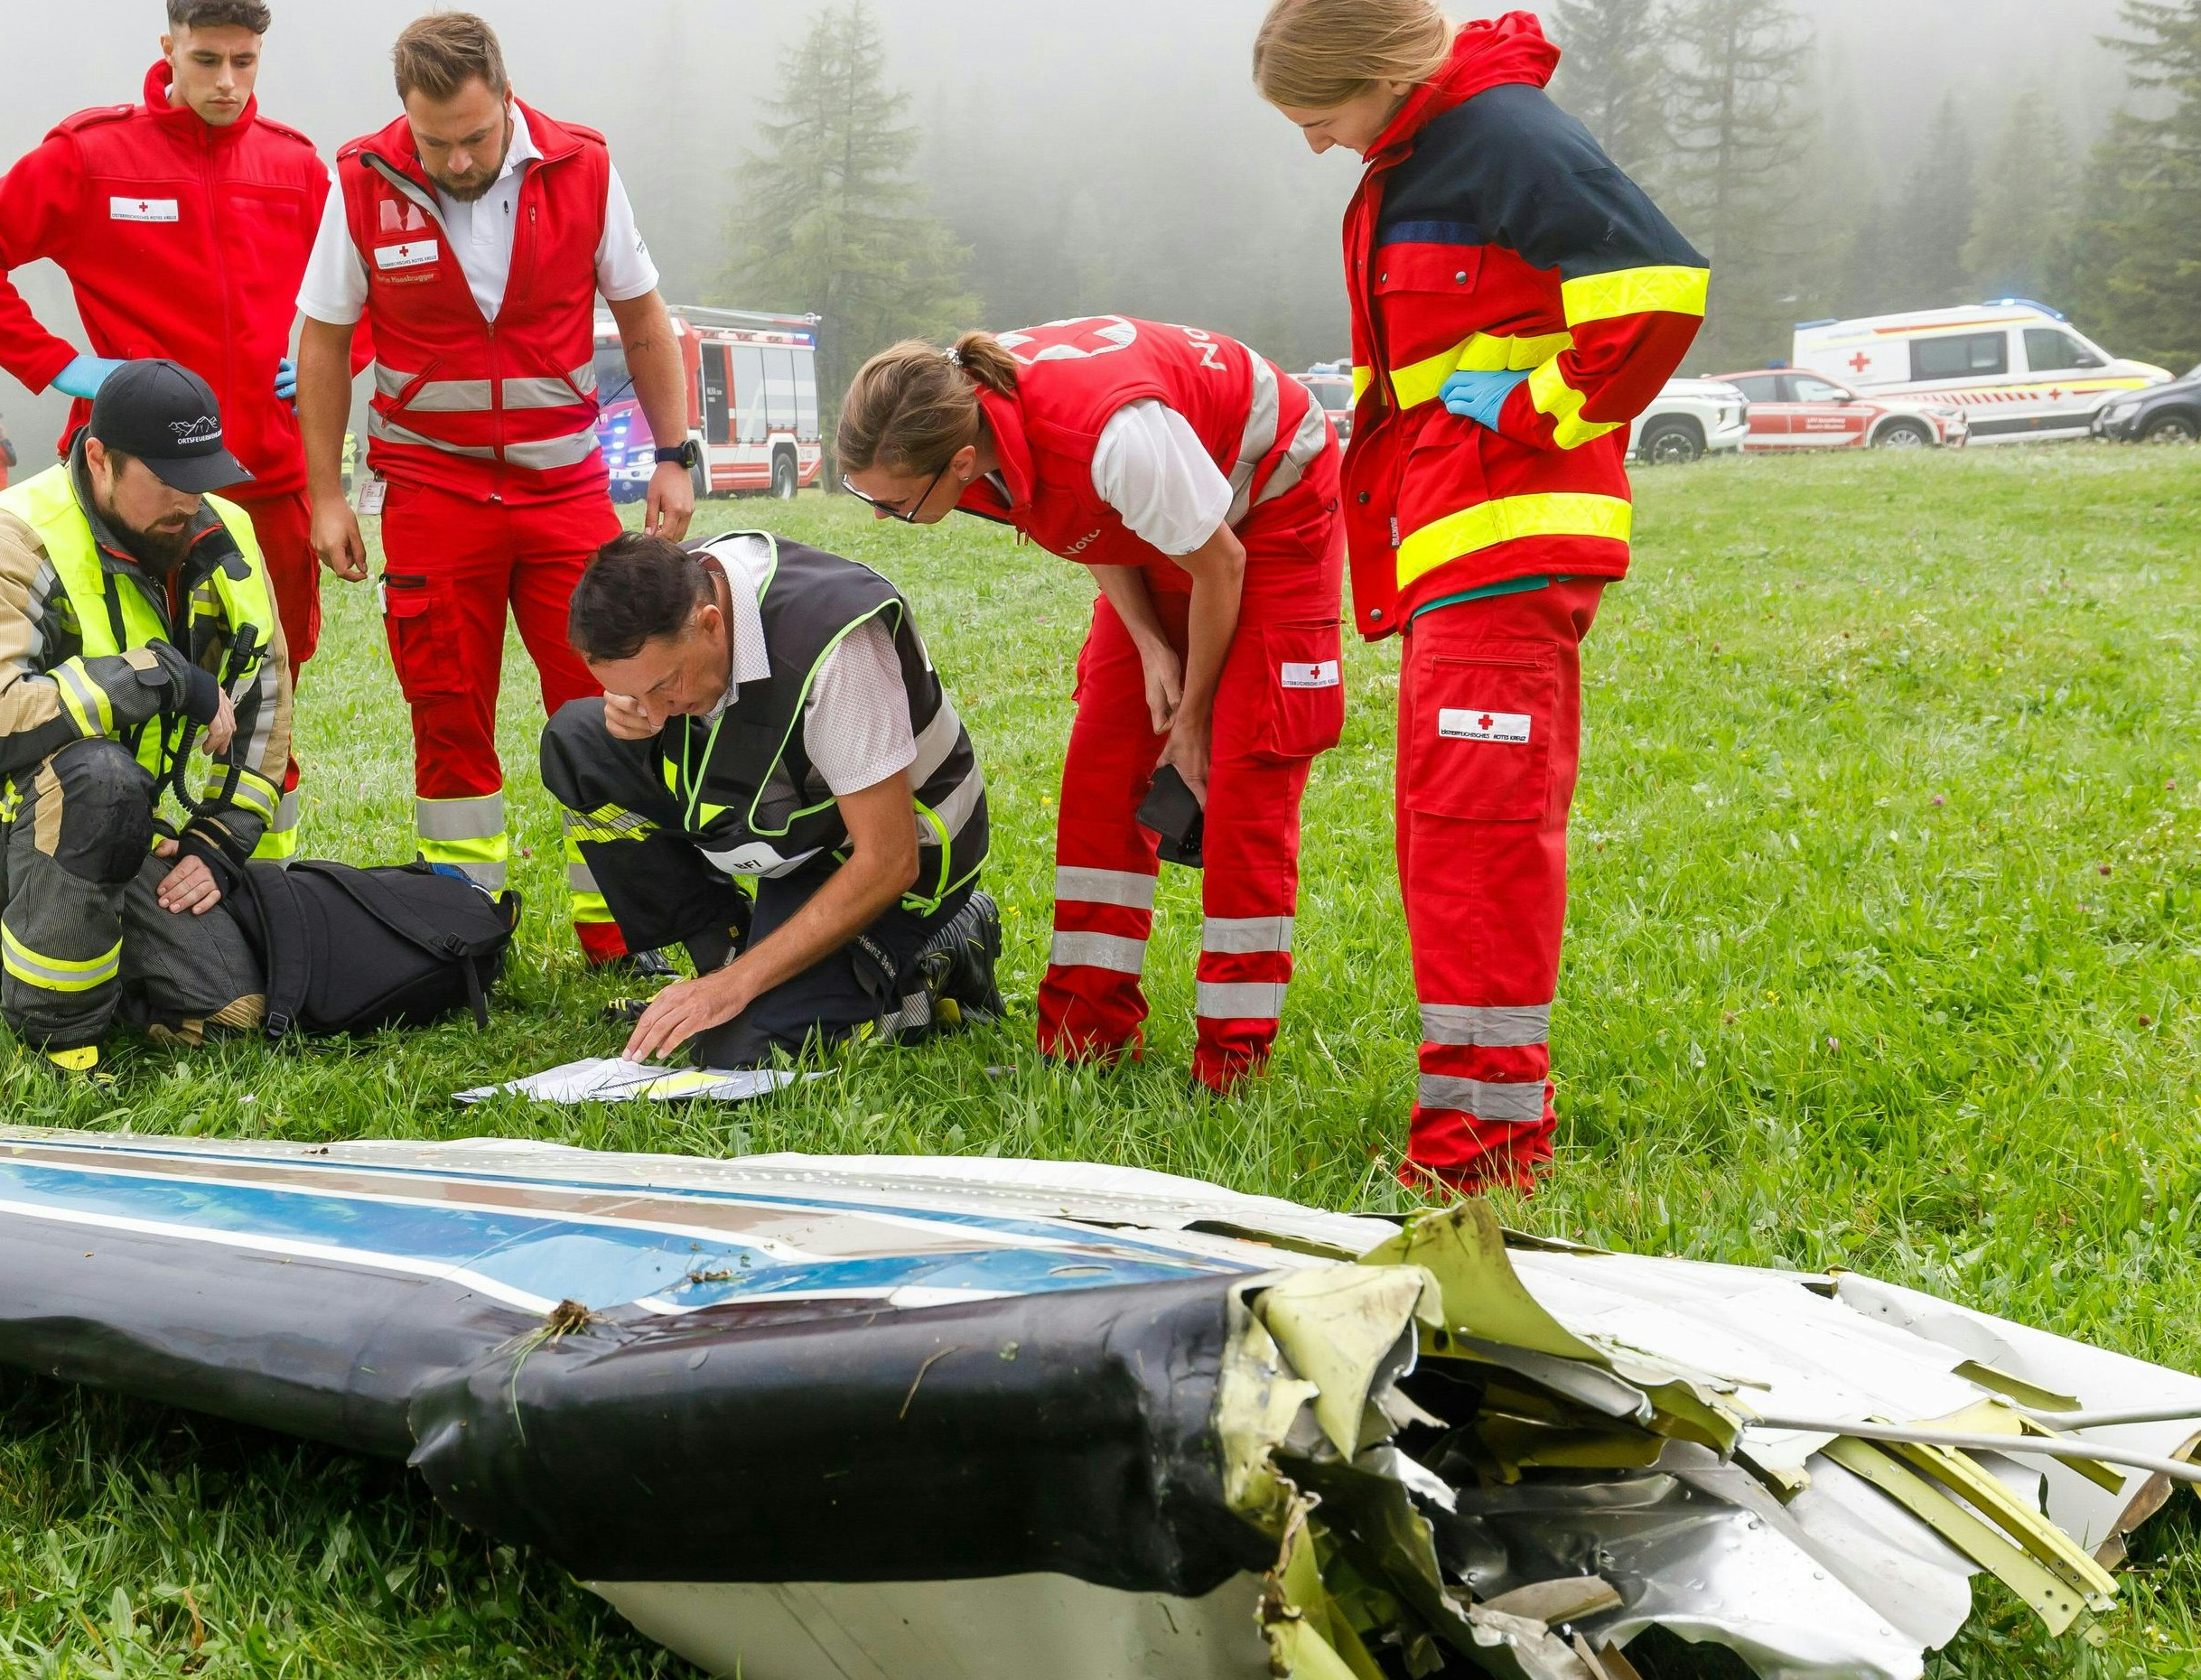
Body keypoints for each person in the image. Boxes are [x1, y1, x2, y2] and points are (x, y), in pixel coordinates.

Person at [1254, 1, 1708, 1191]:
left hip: (1508, 543)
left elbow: (1659, 287)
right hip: (1459, 549)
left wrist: (1536, 408)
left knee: (1477, 844)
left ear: (1380, 73)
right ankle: (1474, 1129)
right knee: (1443, 832)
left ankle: (1483, 1157)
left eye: (1317, 116)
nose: (1314, 142)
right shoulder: (1427, 149)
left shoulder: (1500, 132)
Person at [836, 318, 1345, 1092]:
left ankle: (1231, 1066)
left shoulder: (1112, 440)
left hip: (1268, 509)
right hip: (1170, 516)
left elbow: (1220, 564)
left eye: (899, 503)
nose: (885, 516)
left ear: (961, 463)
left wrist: (1194, 720)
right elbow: (1083, 522)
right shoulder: (964, 415)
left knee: (1239, 780)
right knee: (1103, 771)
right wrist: (1148, 641)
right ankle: (1084, 1038)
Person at [294, 12, 695, 966]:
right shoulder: (362, 179)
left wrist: (674, 452)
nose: (458, 160)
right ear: (405, 116)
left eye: (475, 137)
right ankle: (461, 931)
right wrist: (326, 493)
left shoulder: (584, 167)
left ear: (508, 100)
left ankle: (622, 928)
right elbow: (324, 341)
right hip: (432, 493)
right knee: (446, 711)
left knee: (611, 702)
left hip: (564, 492)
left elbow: (644, 318)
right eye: (435, 142)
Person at [0, 0, 322, 857]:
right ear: (168, 48)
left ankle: (261, 888)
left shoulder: (296, 168)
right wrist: (60, 364)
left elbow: (357, 290)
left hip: (267, 482)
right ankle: (110, 871)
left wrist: (327, 360)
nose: (227, 81)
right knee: (119, 685)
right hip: (132, 487)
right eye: (207, 59)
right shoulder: (92, 156)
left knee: (266, 693)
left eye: (245, 62)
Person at [0, 360, 294, 1079]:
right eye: (165, 479)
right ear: (98, 458)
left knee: (228, 1006)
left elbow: (267, 710)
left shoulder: (227, 534)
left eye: (200, 477)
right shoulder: (6, 537)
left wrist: (216, 844)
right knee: (97, 780)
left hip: (110, 814)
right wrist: (157, 675)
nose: (189, 501)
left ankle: (16, 935)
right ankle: (56, 1037)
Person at [543, 531, 1002, 1067]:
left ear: (711, 623)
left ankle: (945, 947)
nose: (656, 713)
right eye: (633, 691)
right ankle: (723, 949)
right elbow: (652, 697)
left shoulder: (835, 647)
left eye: (664, 686)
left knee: (745, 1050)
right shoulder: (675, 587)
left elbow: (889, 861)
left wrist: (737, 986)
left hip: (891, 859)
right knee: (579, 739)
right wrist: (625, 702)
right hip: (794, 830)